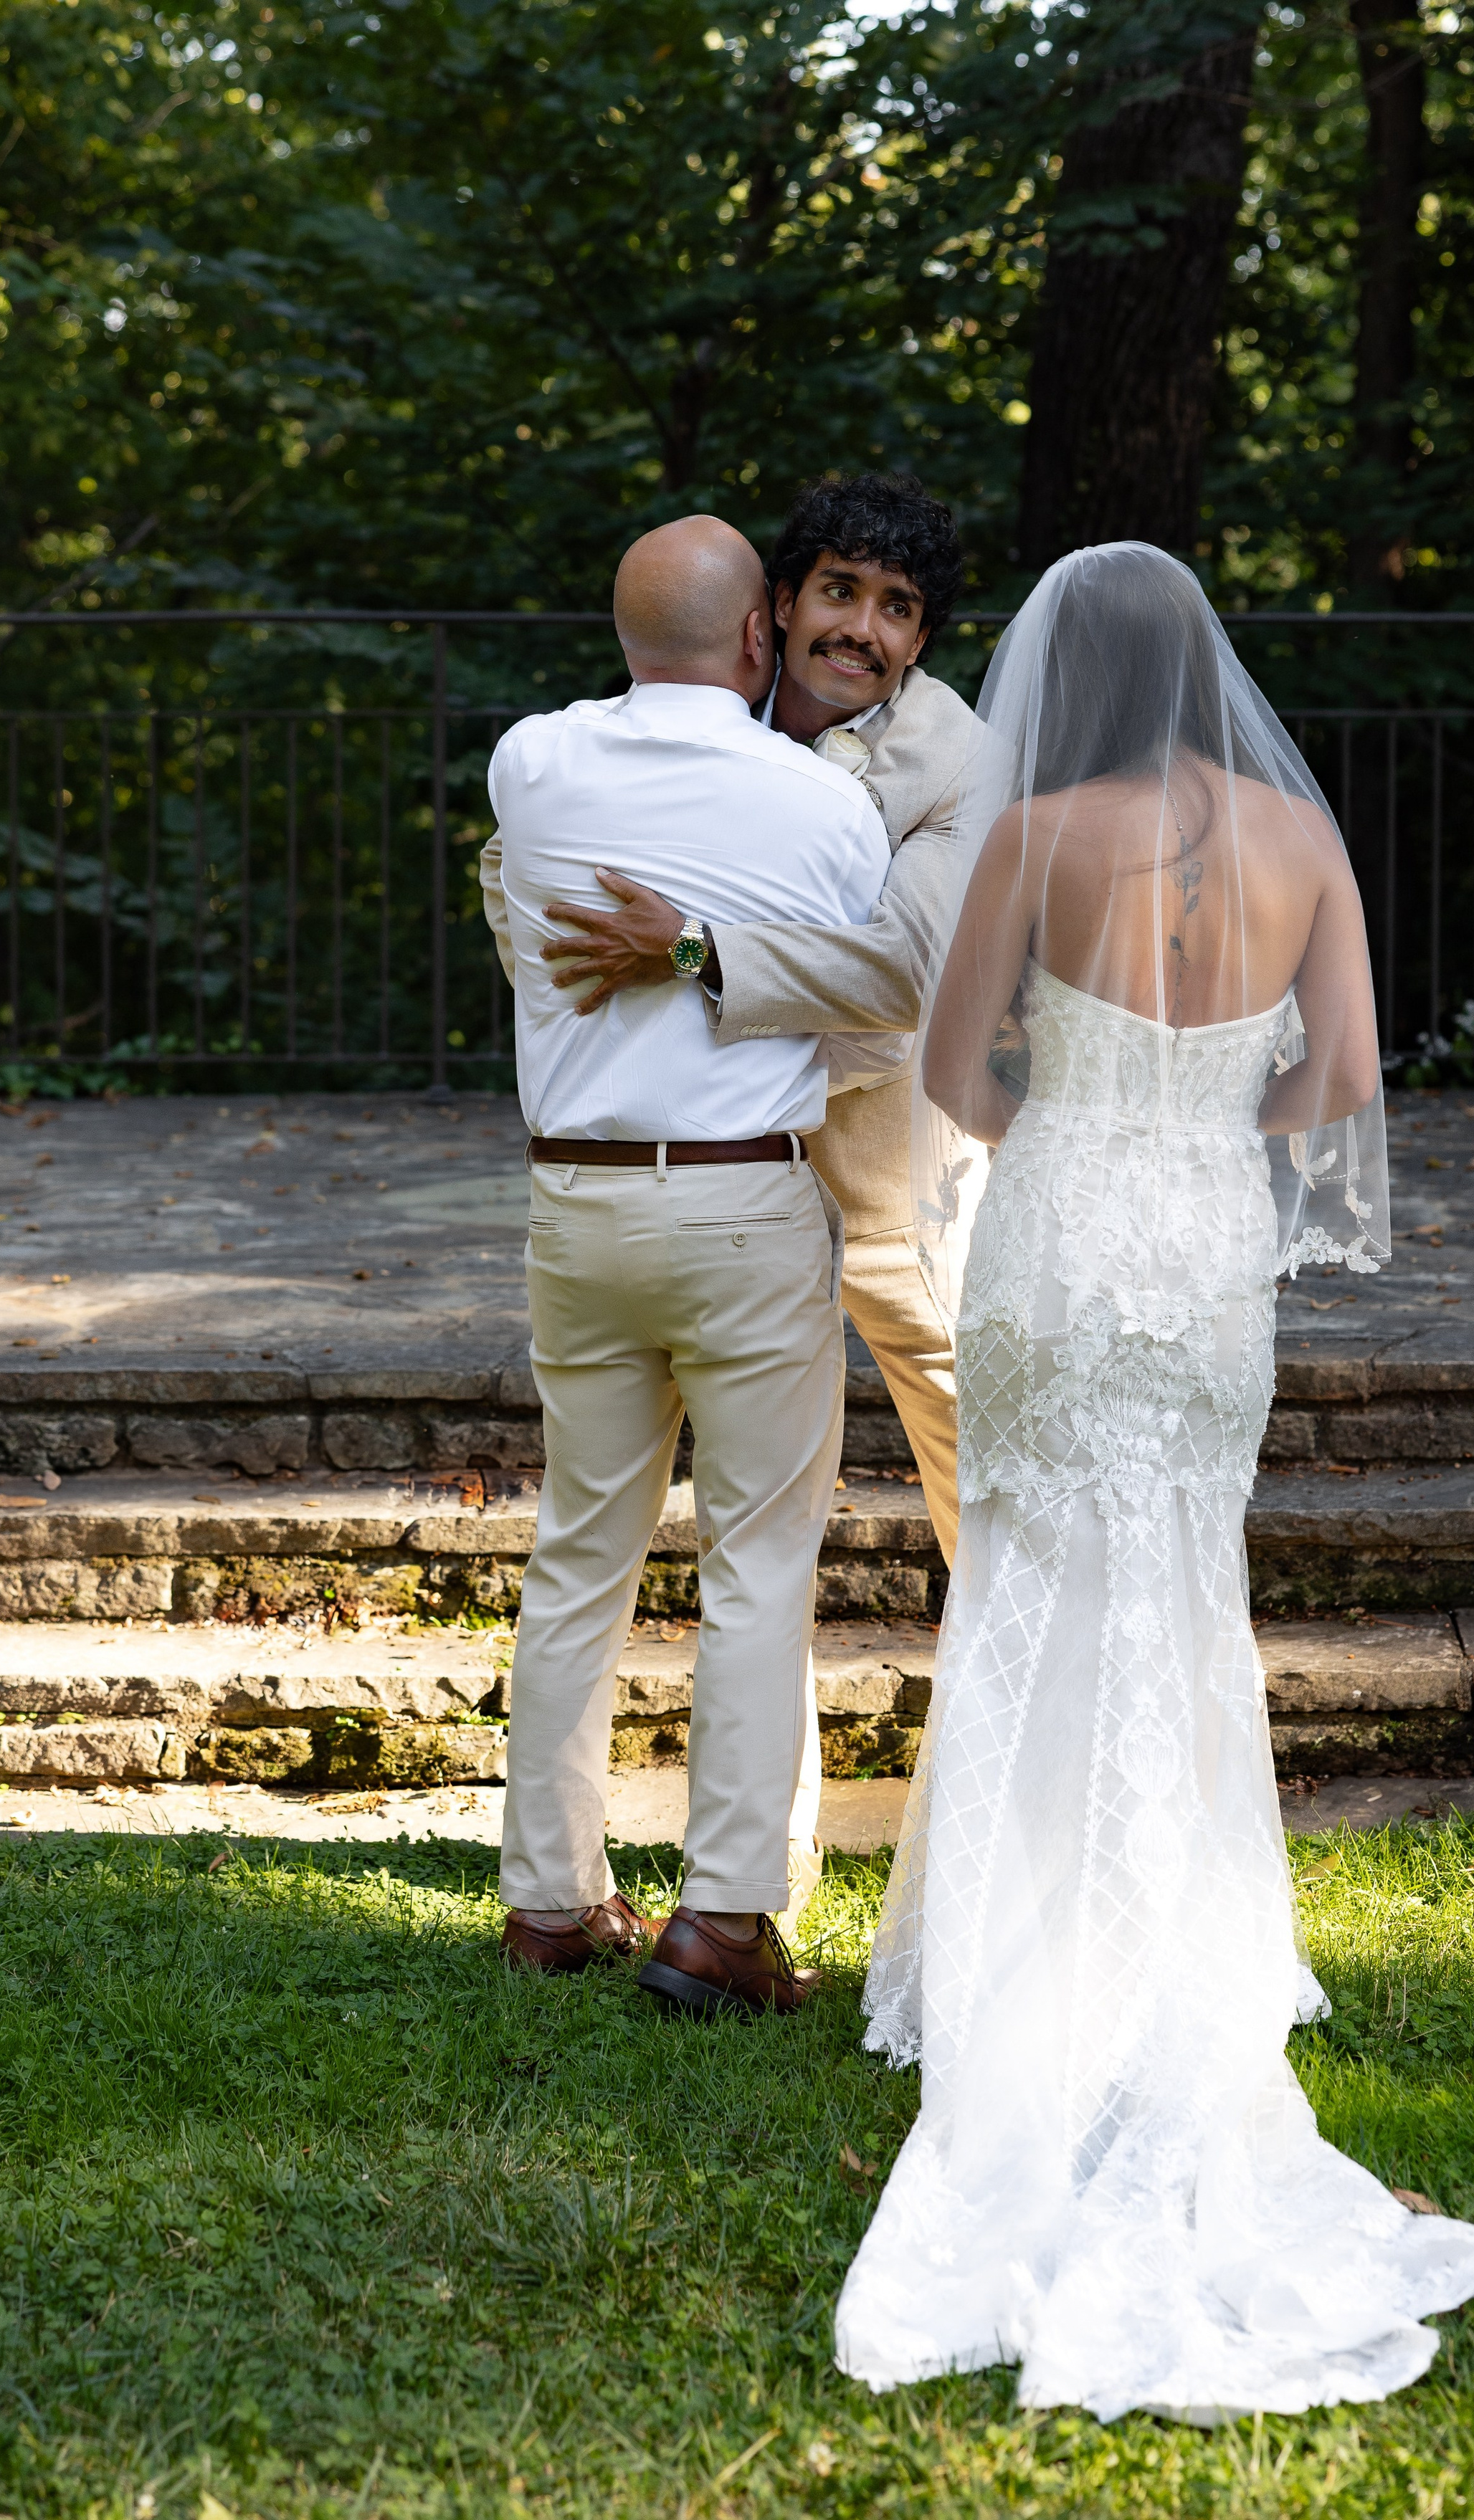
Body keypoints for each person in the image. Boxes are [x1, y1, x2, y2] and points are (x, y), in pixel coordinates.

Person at [833, 543, 1474, 2416]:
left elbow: (952, 1071)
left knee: (1037, 1589)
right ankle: (1175, 1976)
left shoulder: (1035, 831)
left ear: (1071, 675)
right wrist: (1202, 1128)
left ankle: (1026, 1976)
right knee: (1180, 1598)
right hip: (1207, 1253)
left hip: (1065, 1236)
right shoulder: (1302, 845)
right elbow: (1345, 1086)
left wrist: (1072, 1118)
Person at [487, 514, 888, 2013]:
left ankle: (543, 1897)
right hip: (742, 1205)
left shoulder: (532, 764)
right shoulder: (821, 807)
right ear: (754, 640)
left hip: (575, 1207)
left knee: (578, 1552)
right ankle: (719, 1920)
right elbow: (871, 1018)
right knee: (758, 1563)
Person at [487, 473, 979, 1562]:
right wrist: (587, 999)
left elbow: (907, 971)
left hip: (893, 1183)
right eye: (840, 593)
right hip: (722, 1189)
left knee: (978, 1482)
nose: (861, 630)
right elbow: (508, 866)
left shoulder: (955, 762)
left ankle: (1006, 1723)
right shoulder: (688, 705)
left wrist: (693, 961)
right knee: (760, 1550)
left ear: (921, 639)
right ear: (779, 606)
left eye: (897, 609)